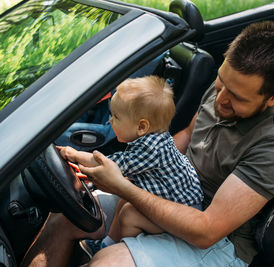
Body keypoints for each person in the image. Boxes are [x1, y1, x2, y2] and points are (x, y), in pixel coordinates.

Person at [22, 20, 274, 267]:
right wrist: (132, 168)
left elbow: (207, 230)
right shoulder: (227, 90)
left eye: (238, 98)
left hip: (220, 244)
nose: (221, 100)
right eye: (221, 84)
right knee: (69, 212)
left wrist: (123, 186)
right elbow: (182, 139)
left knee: (108, 263)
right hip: (174, 198)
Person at [58, 75, 203, 249]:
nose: (110, 121)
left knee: (130, 216)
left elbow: (105, 164)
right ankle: (107, 243)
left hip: (181, 216)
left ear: (142, 127)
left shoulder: (149, 151)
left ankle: (124, 249)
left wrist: (71, 153)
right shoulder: (154, 137)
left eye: (116, 117)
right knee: (125, 198)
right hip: (174, 201)